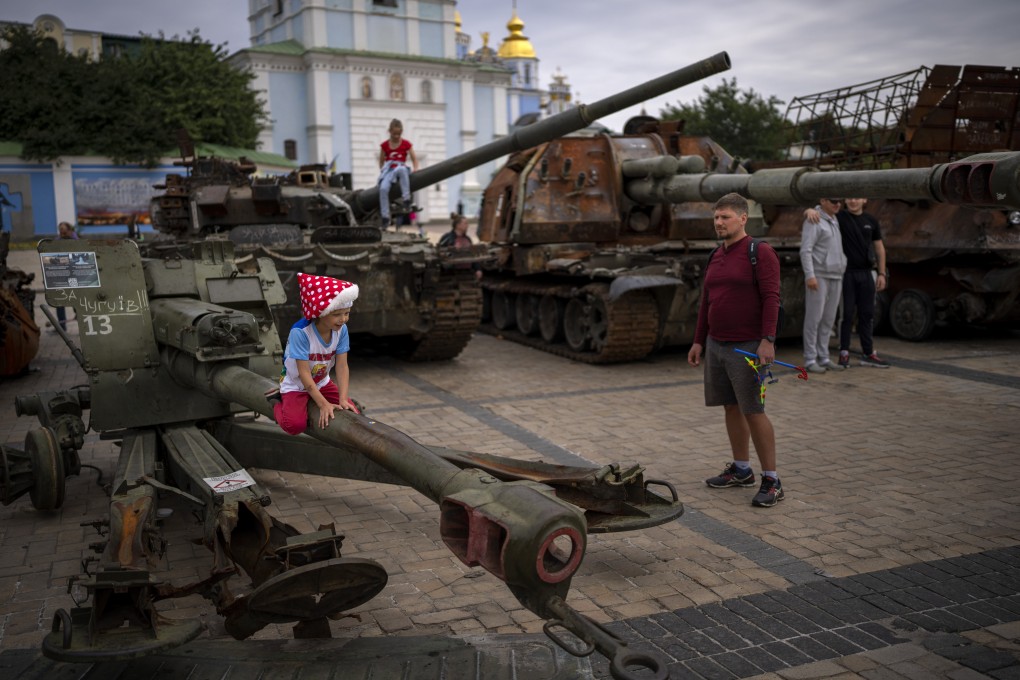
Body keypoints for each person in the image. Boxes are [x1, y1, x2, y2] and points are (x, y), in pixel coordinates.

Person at [688, 193, 784, 508]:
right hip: (717, 345)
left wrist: (767, 339)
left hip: (747, 348)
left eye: (725, 217)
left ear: (743, 218)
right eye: (716, 217)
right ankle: (742, 469)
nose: (719, 223)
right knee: (730, 407)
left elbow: (772, 297)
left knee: (753, 410)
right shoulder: (715, 256)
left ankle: (772, 479)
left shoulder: (761, 252)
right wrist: (699, 340)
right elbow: (707, 302)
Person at [269, 273, 360, 435]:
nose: (343, 319)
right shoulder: (301, 333)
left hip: (321, 382)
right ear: (320, 312)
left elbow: (342, 366)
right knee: (294, 426)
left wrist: (343, 399)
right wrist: (323, 404)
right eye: (337, 314)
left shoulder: (341, 330)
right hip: (296, 384)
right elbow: (303, 373)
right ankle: (276, 402)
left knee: (353, 413)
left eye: (347, 313)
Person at [805, 198, 890, 368]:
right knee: (846, 314)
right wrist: (809, 210)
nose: (853, 201)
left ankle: (867, 352)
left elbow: (879, 247)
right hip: (846, 273)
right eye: (849, 197)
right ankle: (842, 352)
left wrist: (881, 273)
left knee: (867, 314)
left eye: (857, 197)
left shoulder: (870, 221)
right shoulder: (839, 217)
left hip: (865, 272)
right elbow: (822, 210)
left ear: (865, 199)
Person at [800, 198, 847, 373]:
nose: (837, 204)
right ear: (823, 201)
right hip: (819, 275)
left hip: (836, 275)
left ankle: (824, 356)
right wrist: (810, 275)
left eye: (840, 201)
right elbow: (806, 249)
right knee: (814, 318)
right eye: (833, 201)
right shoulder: (814, 219)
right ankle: (810, 359)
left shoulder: (835, 219)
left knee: (828, 319)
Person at [377, 119, 418, 227]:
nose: (396, 136)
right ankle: (385, 216)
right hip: (389, 169)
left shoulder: (406, 144)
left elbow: (414, 158)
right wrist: (382, 171)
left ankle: (406, 198)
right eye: (394, 134)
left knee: (401, 170)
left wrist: (416, 168)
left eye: (398, 134)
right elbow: (381, 161)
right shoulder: (384, 145)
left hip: (400, 167)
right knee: (383, 189)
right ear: (390, 131)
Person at [437, 213, 483, 280]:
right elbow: (439, 255)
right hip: (451, 274)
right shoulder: (447, 238)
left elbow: (473, 255)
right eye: (465, 223)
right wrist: (452, 249)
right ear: (458, 225)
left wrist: (478, 269)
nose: (467, 225)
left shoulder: (468, 239)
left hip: (467, 272)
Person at [54, 221, 78, 331]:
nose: (62, 232)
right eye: (60, 230)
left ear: (69, 230)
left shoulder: (76, 240)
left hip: (74, 275)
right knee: (59, 300)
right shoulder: (57, 241)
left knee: (76, 300)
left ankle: (83, 324)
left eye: (64, 230)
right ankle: (62, 326)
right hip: (61, 275)